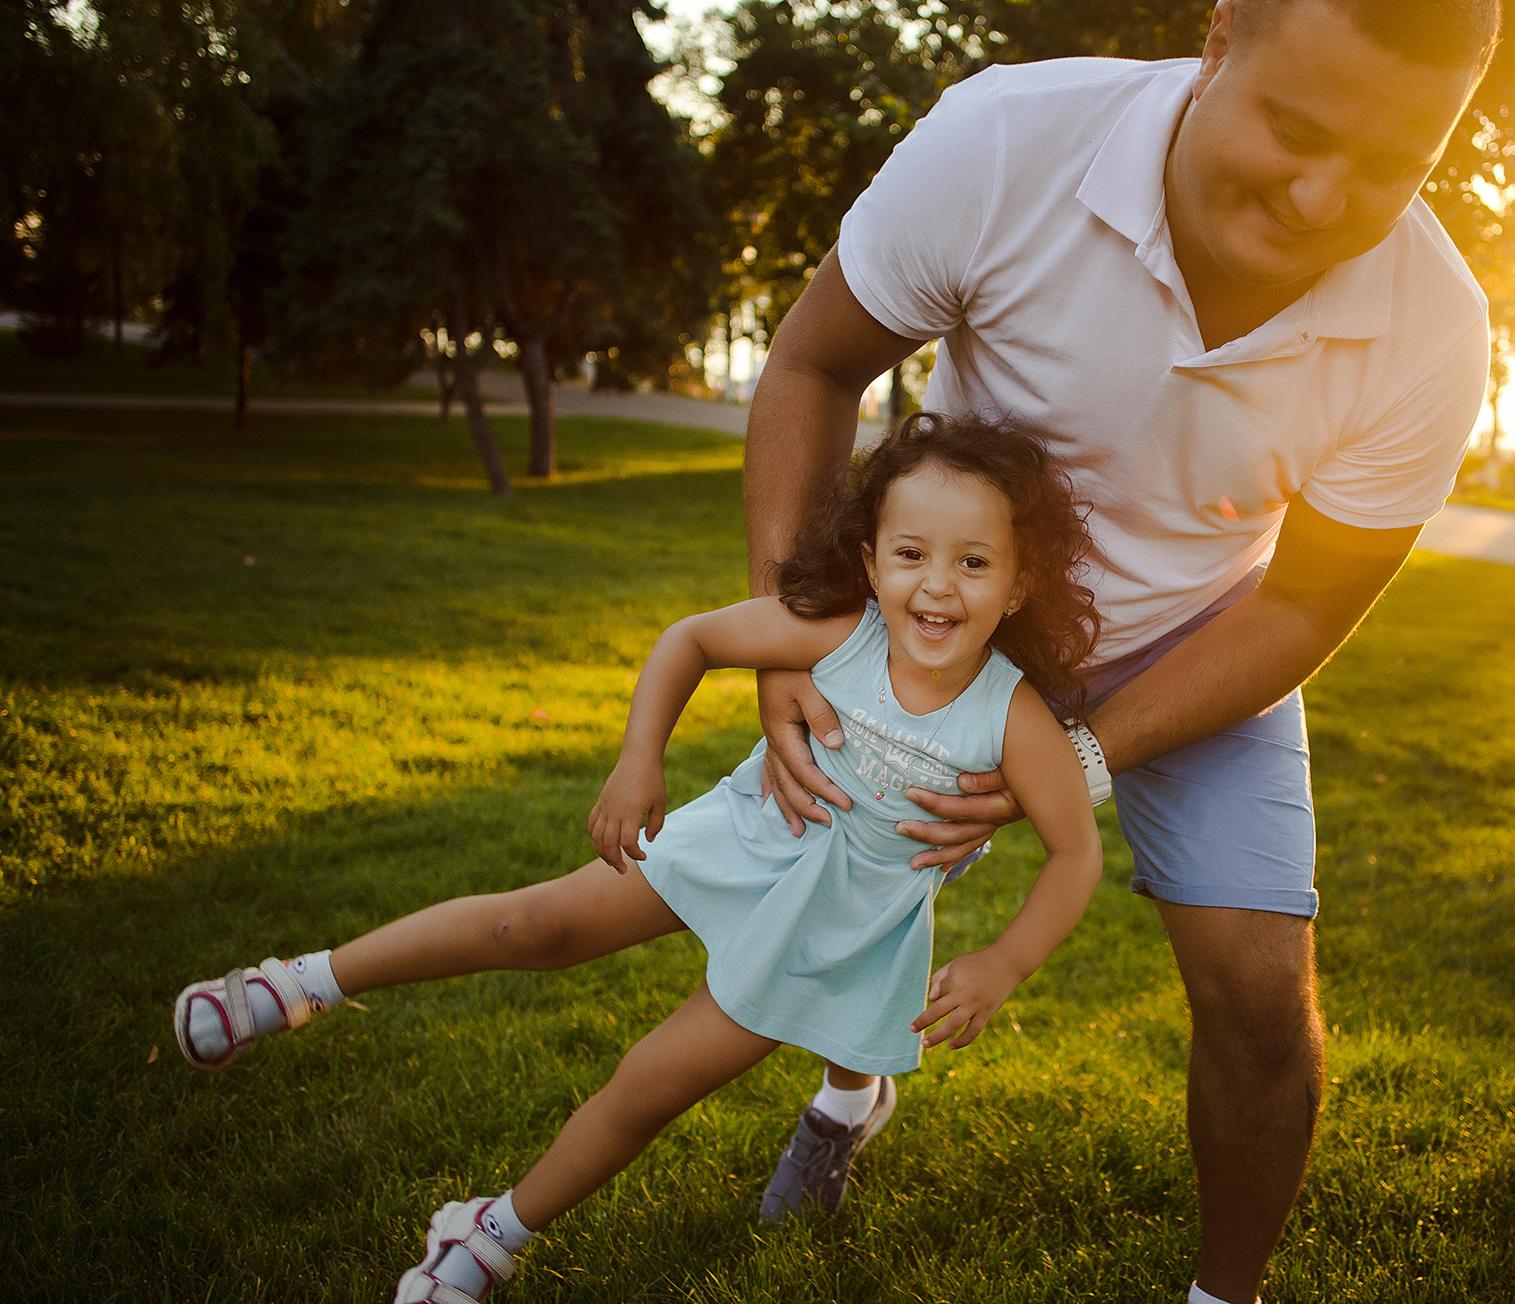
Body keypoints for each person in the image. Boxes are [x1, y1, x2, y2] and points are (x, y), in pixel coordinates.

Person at [739, 0, 1502, 1300]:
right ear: (1217, 43)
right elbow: (814, 363)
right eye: (1293, 126)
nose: (1322, 195)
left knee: (1261, 994)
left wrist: (1078, 762)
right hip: (968, 619)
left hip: (1205, 643)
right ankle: (849, 1096)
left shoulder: (1434, 325)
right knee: (857, 896)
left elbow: (1314, 598)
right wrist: (805, 638)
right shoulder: (1005, 142)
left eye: (1388, 168)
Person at [170, 414, 1106, 1303]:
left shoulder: (1014, 718)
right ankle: (295, 985)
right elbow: (691, 640)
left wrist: (1003, 962)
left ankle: (484, 1236)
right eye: (912, 555)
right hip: (747, 836)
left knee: (653, 1079)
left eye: (973, 563)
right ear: (871, 559)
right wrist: (638, 759)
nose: (937, 586)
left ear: (1020, 582)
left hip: (830, 922)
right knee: (533, 923)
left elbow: (1074, 854)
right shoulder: (845, 631)